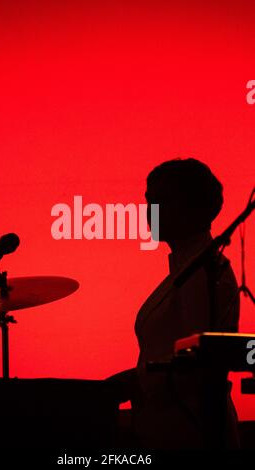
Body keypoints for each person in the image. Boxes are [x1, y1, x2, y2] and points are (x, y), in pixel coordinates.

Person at [107, 158, 240, 449]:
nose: (150, 212)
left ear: (193, 207)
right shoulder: (184, 273)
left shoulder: (204, 273)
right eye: (148, 201)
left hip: (193, 434)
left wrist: (135, 383)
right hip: (166, 430)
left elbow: (199, 359)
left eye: (161, 201)